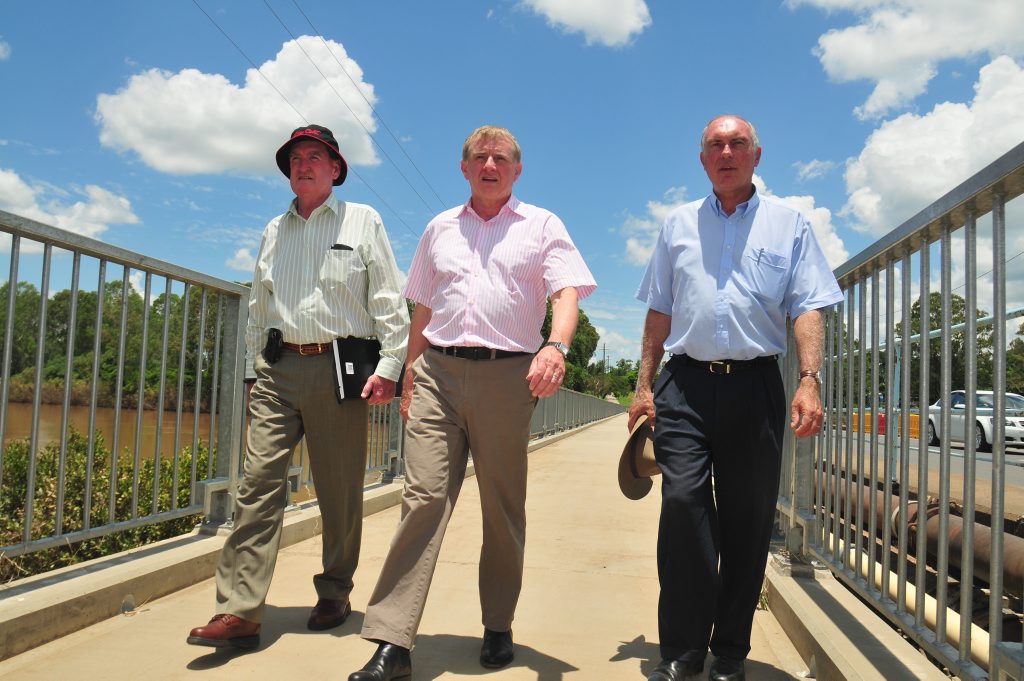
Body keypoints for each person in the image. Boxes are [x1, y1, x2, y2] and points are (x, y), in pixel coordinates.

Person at [347, 125, 596, 681]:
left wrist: (555, 346)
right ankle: (392, 640)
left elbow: (566, 292)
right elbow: (421, 309)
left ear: (516, 170)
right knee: (424, 498)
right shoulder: (439, 229)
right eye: (479, 157)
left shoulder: (543, 225)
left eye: (500, 157)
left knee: (501, 508)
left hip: (509, 378)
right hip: (437, 371)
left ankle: (499, 623)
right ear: (464, 169)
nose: (490, 164)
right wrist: (409, 371)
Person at [629, 114, 843, 681]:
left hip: (755, 384)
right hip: (686, 384)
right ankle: (682, 647)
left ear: (757, 155)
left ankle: (729, 650)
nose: (727, 152)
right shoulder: (677, 225)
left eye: (738, 144)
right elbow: (659, 310)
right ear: (702, 159)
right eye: (716, 145)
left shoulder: (788, 224)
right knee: (682, 510)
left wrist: (809, 378)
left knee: (748, 521)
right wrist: (644, 383)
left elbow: (807, 306)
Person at [187, 124, 410, 649]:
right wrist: (249, 373)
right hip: (278, 369)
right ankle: (239, 609)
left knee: (339, 493)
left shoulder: (362, 221)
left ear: (335, 169)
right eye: (296, 158)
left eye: (316, 157)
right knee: (256, 485)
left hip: (340, 370)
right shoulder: (274, 229)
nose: (303, 165)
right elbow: (258, 306)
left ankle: (335, 589)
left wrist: (392, 366)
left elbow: (387, 298)